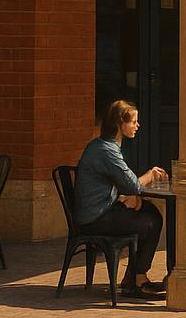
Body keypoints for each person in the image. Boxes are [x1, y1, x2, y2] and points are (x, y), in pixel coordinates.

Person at [74, 100, 168, 299]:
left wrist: (132, 198)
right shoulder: (106, 150)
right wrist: (151, 174)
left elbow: (124, 185)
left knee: (150, 212)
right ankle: (138, 279)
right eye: (133, 121)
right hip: (95, 218)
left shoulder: (105, 146)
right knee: (151, 221)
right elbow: (132, 184)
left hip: (101, 210)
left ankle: (134, 277)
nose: (137, 125)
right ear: (120, 123)